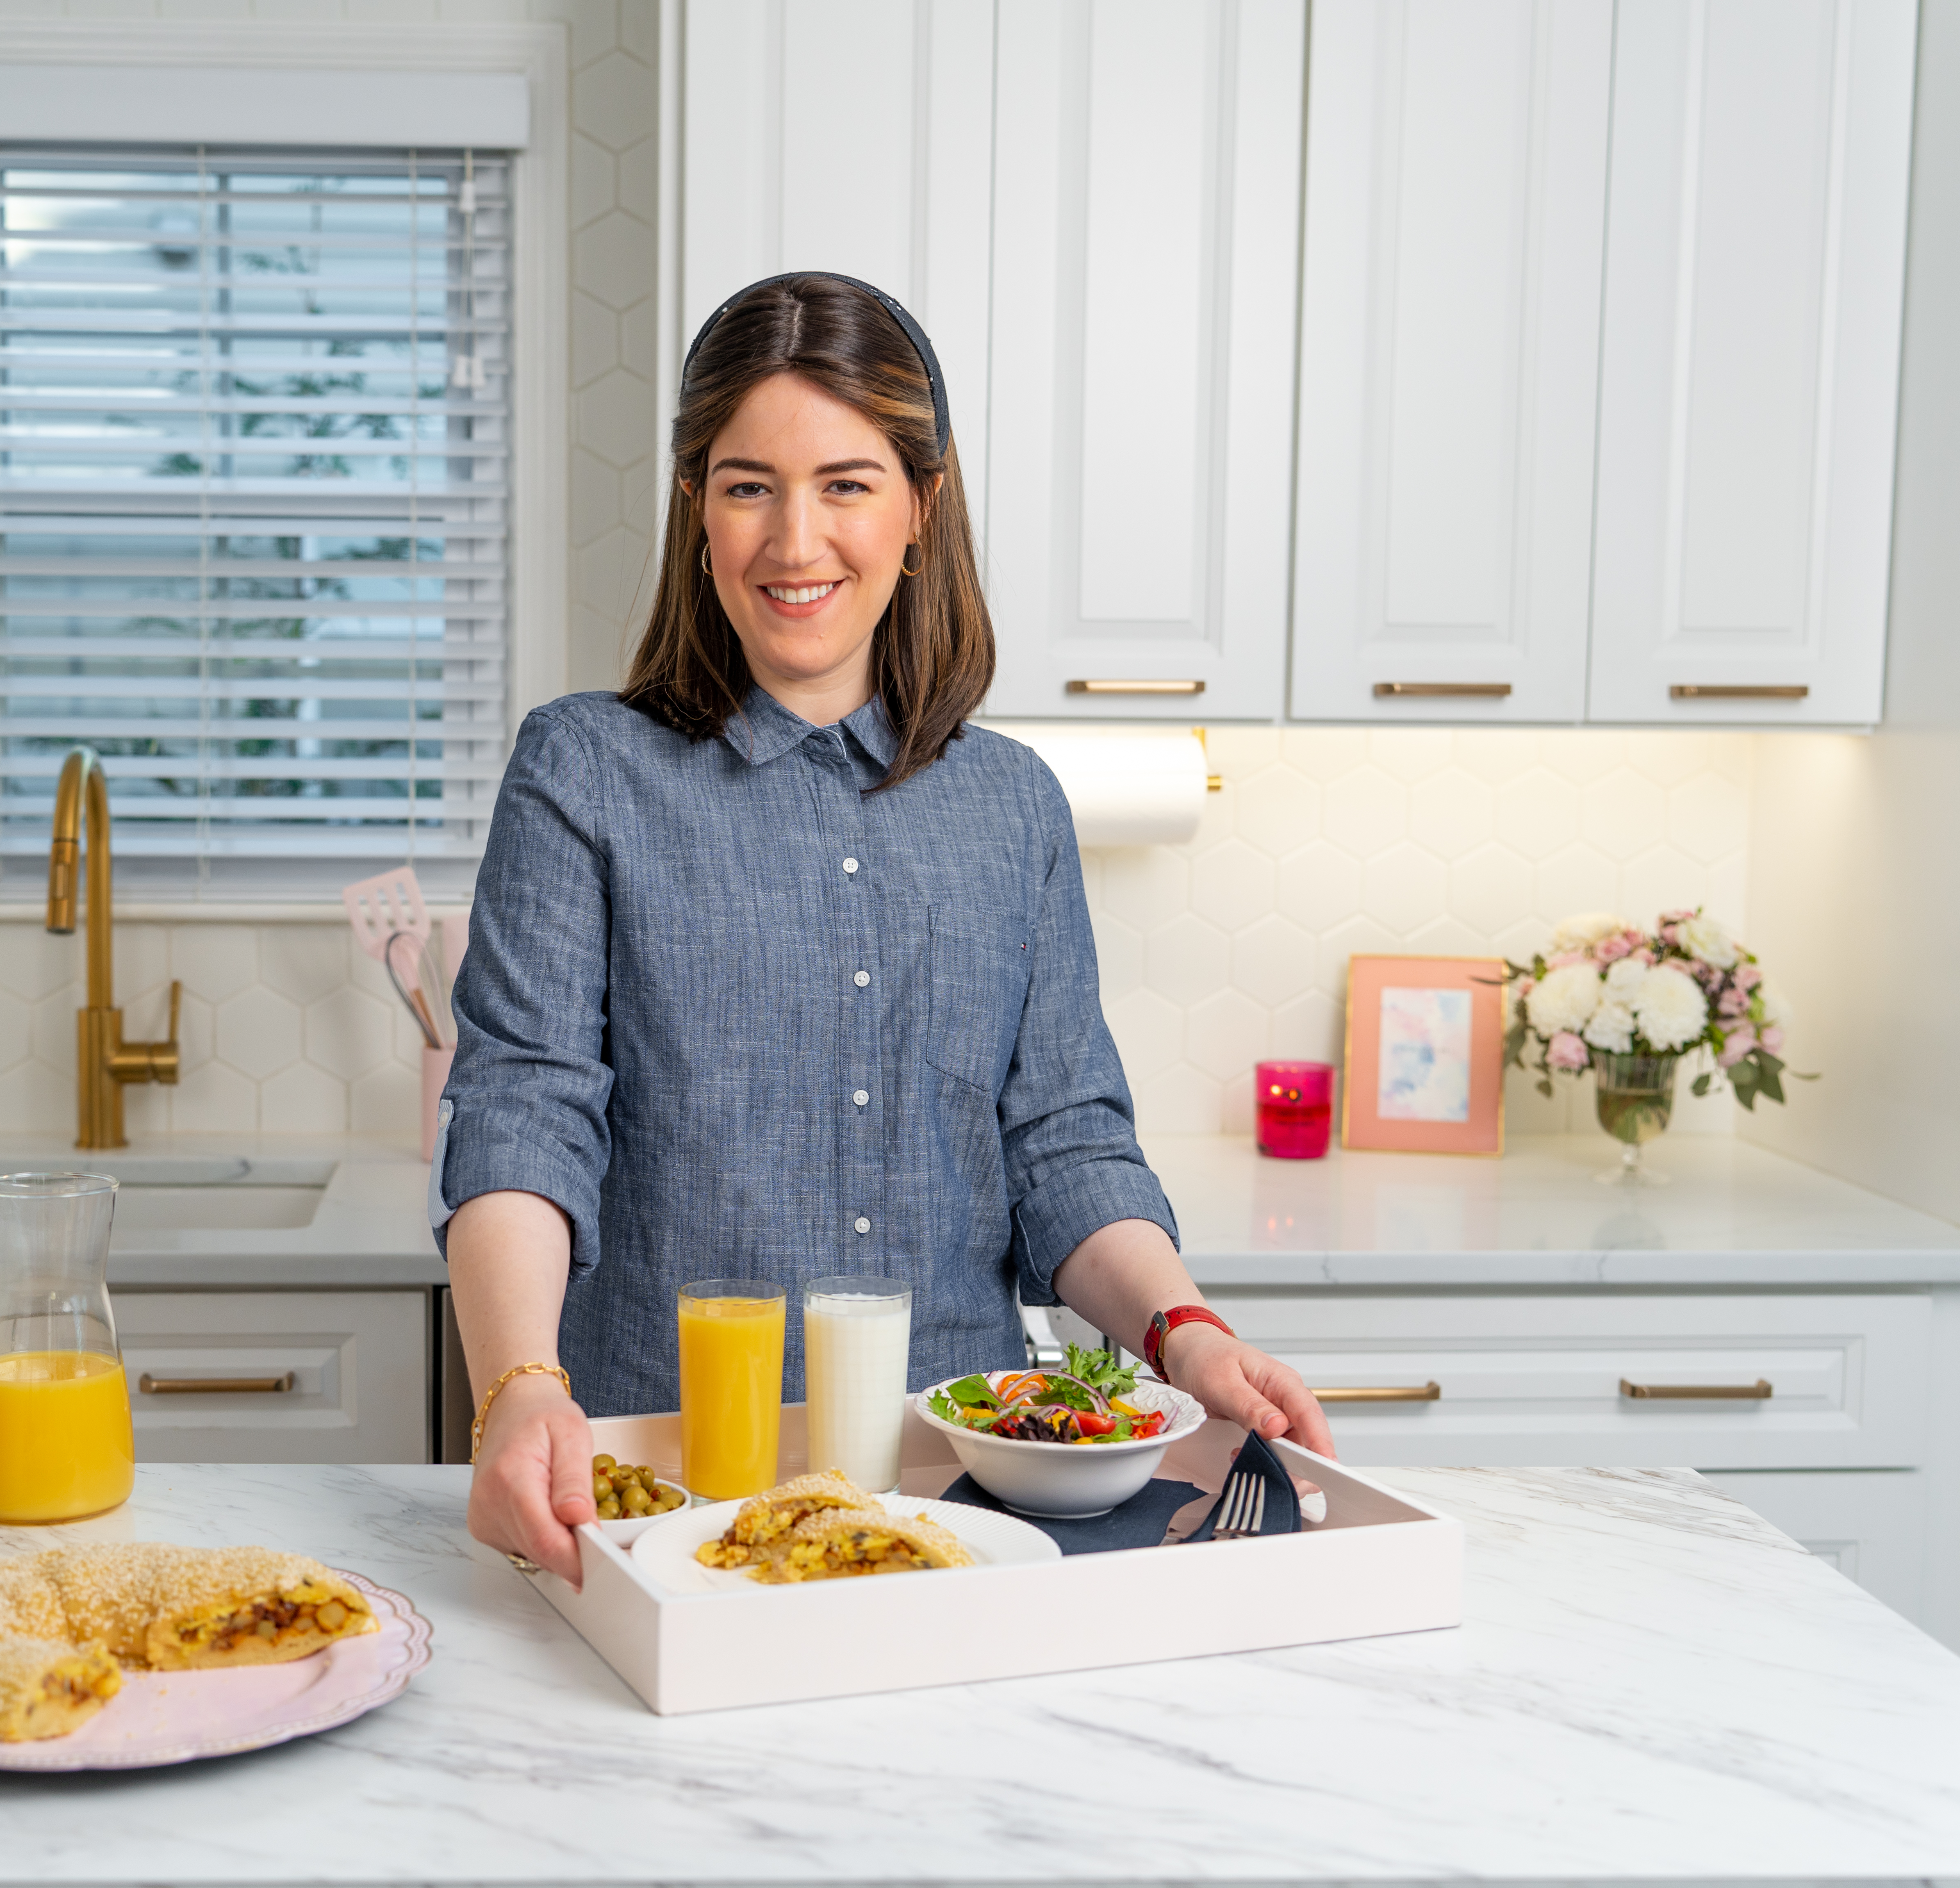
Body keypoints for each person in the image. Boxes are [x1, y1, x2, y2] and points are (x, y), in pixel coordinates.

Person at [432, 273, 1334, 1584]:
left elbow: (1062, 1143)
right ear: (696, 513)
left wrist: (1185, 1334)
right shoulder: (583, 772)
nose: (794, 542)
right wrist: (517, 1382)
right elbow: (523, 1109)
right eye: (747, 486)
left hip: (960, 1500)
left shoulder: (1012, 805)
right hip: (661, 1497)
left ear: (921, 507)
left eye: (845, 484)